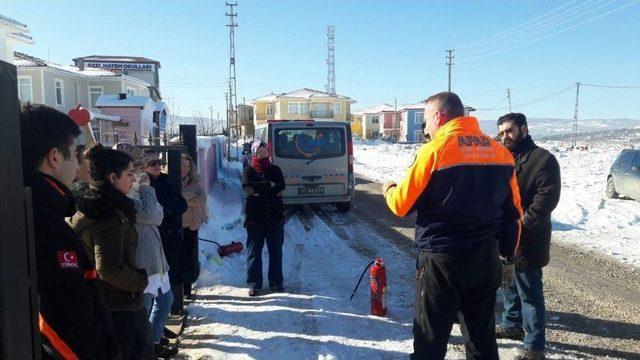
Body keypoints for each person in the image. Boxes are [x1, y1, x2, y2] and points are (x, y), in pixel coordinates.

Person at [382, 92, 523, 360]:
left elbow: (401, 205)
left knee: (430, 339)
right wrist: (506, 255)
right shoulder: (500, 153)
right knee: (481, 337)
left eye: (426, 120)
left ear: (439, 116)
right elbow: (514, 213)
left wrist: (388, 188)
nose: (426, 128)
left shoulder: (434, 150)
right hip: (484, 258)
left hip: (442, 260)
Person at [20, 104, 121, 359]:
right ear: (55, 157)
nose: (78, 165)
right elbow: (65, 323)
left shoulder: (37, 209)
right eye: (76, 154)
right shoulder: (45, 225)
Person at [69, 144, 155, 360]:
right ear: (112, 177)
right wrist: (141, 282)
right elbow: (109, 268)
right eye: (129, 174)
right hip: (118, 308)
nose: (134, 179)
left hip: (114, 303)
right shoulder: (106, 214)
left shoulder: (101, 205)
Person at [496, 113, 561, 360]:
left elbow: (546, 199)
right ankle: (511, 324)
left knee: (530, 293)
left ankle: (534, 346)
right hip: (505, 238)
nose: (505, 136)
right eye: (501, 132)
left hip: (529, 238)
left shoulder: (543, 160)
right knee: (508, 283)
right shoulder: (503, 157)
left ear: (524, 129)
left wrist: (522, 224)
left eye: (509, 131)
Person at [113, 143, 178, 358]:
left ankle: (154, 340)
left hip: (156, 256)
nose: (139, 172)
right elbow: (151, 212)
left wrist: (149, 202)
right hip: (143, 259)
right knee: (146, 306)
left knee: (166, 300)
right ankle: (148, 347)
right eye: (136, 167)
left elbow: (157, 216)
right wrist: (147, 189)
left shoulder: (139, 189)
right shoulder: (126, 194)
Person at [145, 149, 188, 315]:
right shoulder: (145, 184)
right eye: (152, 163)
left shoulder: (165, 180)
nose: (157, 166)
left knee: (168, 284)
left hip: (172, 236)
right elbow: (156, 211)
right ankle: (156, 326)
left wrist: (170, 209)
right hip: (157, 238)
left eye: (159, 162)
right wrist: (170, 209)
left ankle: (160, 324)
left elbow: (181, 204)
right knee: (156, 288)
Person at [242, 141, 286, 297]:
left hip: (275, 218)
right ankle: (254, 283)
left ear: (268, 152)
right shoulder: (248, 170)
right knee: (254, 252)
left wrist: (260, 189)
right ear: (254, 153)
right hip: (255, 220)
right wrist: (270, 186)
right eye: (258, 151)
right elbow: (247, 187)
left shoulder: (275, 169)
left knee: (276, 251)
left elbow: (281, 187)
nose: (262, 153)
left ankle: (276, 282)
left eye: (264, 150)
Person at [180, 153, 208, 300]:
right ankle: (180, 289)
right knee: (180, 257)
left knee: (190, 256)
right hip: (179, 226)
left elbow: (203, 199)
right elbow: (176, 198)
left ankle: (188, 288)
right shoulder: (171, 180)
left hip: (192, 224)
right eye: (183, 165)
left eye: (188, 165)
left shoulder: (194, 182)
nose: (185, 168)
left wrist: (185, 198)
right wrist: (191, 197)